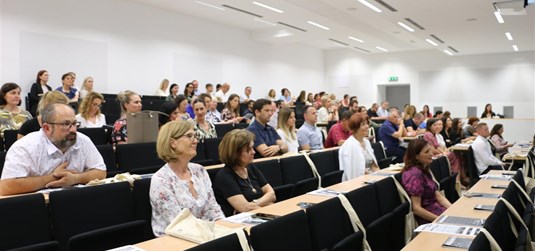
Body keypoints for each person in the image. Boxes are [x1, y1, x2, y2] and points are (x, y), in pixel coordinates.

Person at [0, 103, 106, 196]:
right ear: (47, 128)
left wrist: (76, 178)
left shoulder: (82, 140)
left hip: (76, 201)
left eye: (74, 124)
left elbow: (101, 171)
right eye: (66, 124)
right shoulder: (25, 147)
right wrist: (51, 178)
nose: (73, 130)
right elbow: (7, 186)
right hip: (38, 209)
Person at [150, 120, 224, 236]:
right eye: (189, 136)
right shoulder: (161, 180)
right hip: (175, 242)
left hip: (206, 235)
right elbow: (179, 223)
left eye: (195, 136)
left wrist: (225, 229)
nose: (195, 141)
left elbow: (213, 209)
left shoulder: (200, 170)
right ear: (172, 143)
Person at [213, 129, 276, 216]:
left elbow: (272, 194)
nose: (253, 152)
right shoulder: (224, 176)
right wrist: (265, 202)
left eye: (252, 148)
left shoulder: (251, 168)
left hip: (259, 214)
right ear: (235, 153)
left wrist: (255, 203)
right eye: (248, 149)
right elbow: (244, 208)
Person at [401, 139, 451, 225]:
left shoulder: (424, 169)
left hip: (437, 210)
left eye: (430, 150)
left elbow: (438, 196)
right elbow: (416, 209)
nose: (431, 154)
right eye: (427, 152)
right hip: (428, 218)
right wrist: (440, 220)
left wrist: (453, 210)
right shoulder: (414, 174)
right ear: (416, 156)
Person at [339, 113, 379, 181]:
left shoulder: (366, 142)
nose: (367, 126)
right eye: (363, 124)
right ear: (355, 128)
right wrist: (374, 177)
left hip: (370, 178)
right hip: (359, 181)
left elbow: (374, 165)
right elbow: (356, 172)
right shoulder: (349, 146)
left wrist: (380, 175)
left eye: (367, 123)